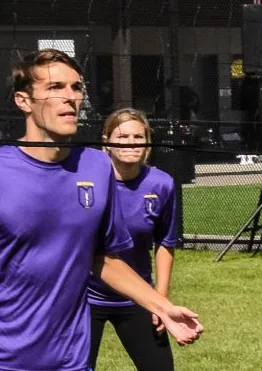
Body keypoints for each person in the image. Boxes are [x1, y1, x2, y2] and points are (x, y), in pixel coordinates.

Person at [0, 49, 203, 371]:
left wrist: (162, 306)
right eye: (55, 88)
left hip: (72, 362)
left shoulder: (98, 166)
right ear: (23, 101)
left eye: (76, 87)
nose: (71, 98)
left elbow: (104, 259)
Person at [87, 109, 185, 371]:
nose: (131, 142)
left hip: (138, 296)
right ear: (106, 140)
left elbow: (166, 242)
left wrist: (160, 302)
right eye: (123, 136)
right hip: (85, 298)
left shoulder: (161, 184)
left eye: (138, 136)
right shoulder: (88, 183)